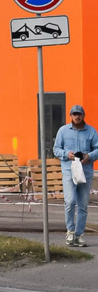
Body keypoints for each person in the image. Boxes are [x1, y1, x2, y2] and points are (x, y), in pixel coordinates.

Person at [52, 104, 98, 247]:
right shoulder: (63, 131)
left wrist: (89, 156)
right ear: (70, 116)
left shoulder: (91, 131)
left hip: (85, 171)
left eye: (79, 114)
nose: (77, 117)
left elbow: (97, 148)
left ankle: (79, 235)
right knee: (70, 201)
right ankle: (70, 231)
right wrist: (67, 154)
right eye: (74, 114)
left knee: (83, 204)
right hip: (68, 170)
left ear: (83, 116)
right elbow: (56, 149)